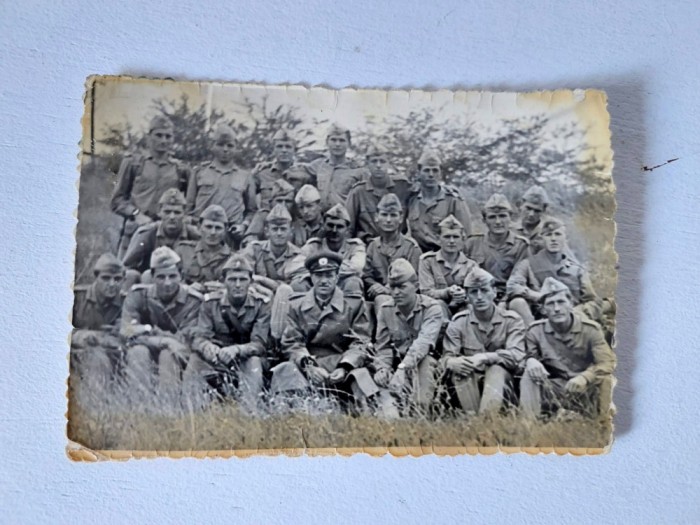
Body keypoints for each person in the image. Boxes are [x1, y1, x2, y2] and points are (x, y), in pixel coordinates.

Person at [271, 252, 384, 414]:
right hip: (310, 364)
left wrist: (345, 367)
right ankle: (297, 413)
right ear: (311, 277)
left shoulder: (353, 305)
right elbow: (292, 343)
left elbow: (361, 342)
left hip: (342, 363)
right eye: (318, 275)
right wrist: (309, 366)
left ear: (337, 276)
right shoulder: (296, 305)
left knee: (361, 376)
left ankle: (366, 415)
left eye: (329, 275)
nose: (324, 280)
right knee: (285, 370)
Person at [183, 255, 272, 409]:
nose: (237, 285)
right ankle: (189, 410)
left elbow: (260, 344)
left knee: (254, 362)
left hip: (245, 358)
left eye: (242, 279)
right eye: (232, 279)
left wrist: (237, 350)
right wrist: (207, 347)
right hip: (217, 359)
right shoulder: (211, 303)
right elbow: (199, 337)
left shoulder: (261, 304)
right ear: (224, 281)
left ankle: (249, 410)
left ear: (250, 281)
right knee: (195, 360)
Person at [519, 277, 616, 419]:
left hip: (585, 388)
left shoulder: (590, 329)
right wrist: (530, 360)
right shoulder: (535, 331)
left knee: (606, 379)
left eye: (561, 302)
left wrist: (585, 377)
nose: (557, 308)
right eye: (551, 304)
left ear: (570, 304)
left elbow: (607, 363)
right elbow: (525, 357)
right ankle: (529, 424)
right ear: (543, 309)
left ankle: (603, 423)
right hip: (557, 390)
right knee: (529, 374)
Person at [120, 247, 203, 402]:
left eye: (172, 276)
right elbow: (127, 330)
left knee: (167, 354)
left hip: (178, 356)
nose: (167, 283)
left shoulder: (193, 301)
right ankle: (138, 406)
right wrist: (162, 338)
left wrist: (147, 334)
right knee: (138, 352)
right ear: (152, 277)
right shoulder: (137, 295)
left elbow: (184, 341)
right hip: (150, 350)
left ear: (181, 276)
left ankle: (168, 407)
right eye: (161, 277)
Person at [441, 268, 526, 415]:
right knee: (461, 369)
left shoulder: (511, 320)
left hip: (504, 387)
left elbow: (517, 356)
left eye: (484, 290)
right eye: (474, 292)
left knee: (495, 369)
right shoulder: (459, 322)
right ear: (467, 296)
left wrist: (485, 357)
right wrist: (451, 362)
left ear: (494, 292)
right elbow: (445, 357)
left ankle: (487, 419)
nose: (479, 297)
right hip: (471, 383)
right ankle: (473, 418)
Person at [372, 259, 445, 415]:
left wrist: (403, 369)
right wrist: (382, 368)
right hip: (399, 365)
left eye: (402, 287)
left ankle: (422, 415)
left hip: (428, 362)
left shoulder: (432, 308)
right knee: (386, 405)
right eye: (393, 287)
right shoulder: (386, 310)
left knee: (420, 402)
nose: (396, 293)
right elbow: (383, 346)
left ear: (416, 286)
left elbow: (423, 344)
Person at [111, 115, 190, 258]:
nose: (163, 140)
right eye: (159, 135)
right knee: (125, 272)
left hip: (166, 233)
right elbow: (117, 201)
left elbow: (189, 202)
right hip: (137, 229)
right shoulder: (134, 163)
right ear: (149, 136)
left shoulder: (180, 169)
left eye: (168, 136)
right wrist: (136, 214)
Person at [507, 217, 602, 325]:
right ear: (542, 238)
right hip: (541, 320)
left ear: (565, 239)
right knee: (516, 302)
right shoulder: (528, 264)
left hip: (571, 319)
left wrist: (576, 312)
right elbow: (512, 286)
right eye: (548, 235)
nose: (553, 239)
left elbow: (592, 301)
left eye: (557, 234)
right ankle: (532, 337)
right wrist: (537, 296)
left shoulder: (576, 269)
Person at [185, 124, 254, 246]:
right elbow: (188, 208)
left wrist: (243, 226)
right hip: (201, 233)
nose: (225, 149)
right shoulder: (199, 172)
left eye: (230, 145)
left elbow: (252, 211)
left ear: (236, 148)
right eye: (220, 144)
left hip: (230, 234)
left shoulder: (245, 176)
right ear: (212, 146)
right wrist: (192, 227)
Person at [71, 253, 126, 389]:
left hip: (115, 357)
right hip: (80, 356)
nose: (112, 284)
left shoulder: (126, 302)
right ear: (96, 277)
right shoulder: (76, 298)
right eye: (106, 278)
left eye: (117, 279)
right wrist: (83, 336)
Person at [363, 193, 421, 311]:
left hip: (405, 298)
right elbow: (366, 275)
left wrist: (389, 289)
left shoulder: (411, 247)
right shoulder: (373, 246)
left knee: (383, 300)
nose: (388, 220)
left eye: (393, 215)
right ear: (376, 217)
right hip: (379, 296)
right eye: (384, 215)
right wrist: (375, 285)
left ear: (400, 218)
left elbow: (415, 280)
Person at [406, 148, 472, 252]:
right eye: (427, 170)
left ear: (440, 173)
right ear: (419, 173)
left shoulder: (453, 200)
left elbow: (466, 235)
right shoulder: (412, 200)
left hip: (447, 256)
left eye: (435, 170)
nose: (431, 174)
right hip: (419, 257)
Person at [292, 204, 365, 296]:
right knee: (298, 283)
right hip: (315, 286)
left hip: (342, 285)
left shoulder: (355, 246)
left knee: (353, 282)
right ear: (323, 226)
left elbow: (356, 267)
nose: (334, 230)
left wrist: (318, 269)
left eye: (339, 227)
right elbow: (293, 267)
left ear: (347, 229)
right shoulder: (314, 245)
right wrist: (316, 275)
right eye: (330, 225)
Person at [464, 193, 529, 298]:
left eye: (502, 216)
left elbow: (518, 280)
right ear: (484, 221)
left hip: (510, 296)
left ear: (510, 218)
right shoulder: (472, 243)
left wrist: (504, 301)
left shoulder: (521, 246)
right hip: (480, 295)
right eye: (492, 217)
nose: (498, 222)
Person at [122, 188, 200, 275]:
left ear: (184, 214)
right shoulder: (147, 233)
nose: (172, 217)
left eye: (177, 212)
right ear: (159, 212)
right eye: (167, 212)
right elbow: (127, 265)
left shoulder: (194, 234)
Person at [346, 143, 411, 243]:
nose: (378, 165)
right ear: (367, 163)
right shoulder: (358, 192)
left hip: (398, 245)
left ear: (388, 163)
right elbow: (349, 227)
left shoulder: (402, 187)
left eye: (382, 161)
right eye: (374, 161)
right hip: (367, 245)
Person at [419, 215, 479, 317]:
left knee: (471, 308)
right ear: (438, 239)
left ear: (463, 239)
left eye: (455, 237)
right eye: (447, 237)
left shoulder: (471, 265)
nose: (451, 241)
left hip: (462, 307)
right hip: (436, 310)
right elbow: (425, 292)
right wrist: (447, 292)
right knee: (438, 305)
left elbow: (477, 293)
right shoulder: (427, 261)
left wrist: (463, 296)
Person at [246, 128, 313, 212]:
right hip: (268, 221)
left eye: (288, 147)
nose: (284, 150)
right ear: (274, 149)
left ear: (294, 150)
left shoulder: (304, 174)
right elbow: (245, 195)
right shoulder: (262, 173)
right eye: (279, 146)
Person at [307, 124, 365, 209]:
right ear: (327, 142)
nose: (337, 144)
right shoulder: (317, 166)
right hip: (321, 218)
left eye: (342, 140)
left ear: (349, 143)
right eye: (333, 140)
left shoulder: (357, 169)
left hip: (345, 219)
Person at [178, 205, 232, 287]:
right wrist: (186, 288)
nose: (213, 232)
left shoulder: (233, 258)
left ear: (225, 230)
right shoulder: (183, 250)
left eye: (218, 228)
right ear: (199, 227)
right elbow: (170, 280)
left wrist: (224, 288)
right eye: (208, 227)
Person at [243, 178, 297, 243]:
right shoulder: (263, 216)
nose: (283, 205)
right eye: (279, 201)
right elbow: (250, 238)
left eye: (288, 201)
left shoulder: (296, 219)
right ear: (271, 202)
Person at [513, 185, 551, 255]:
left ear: (544, 211)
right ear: (521, 205)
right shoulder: (510, 230)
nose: (531, 214)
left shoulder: (550, 233)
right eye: (528, 208)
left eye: (537, 211)